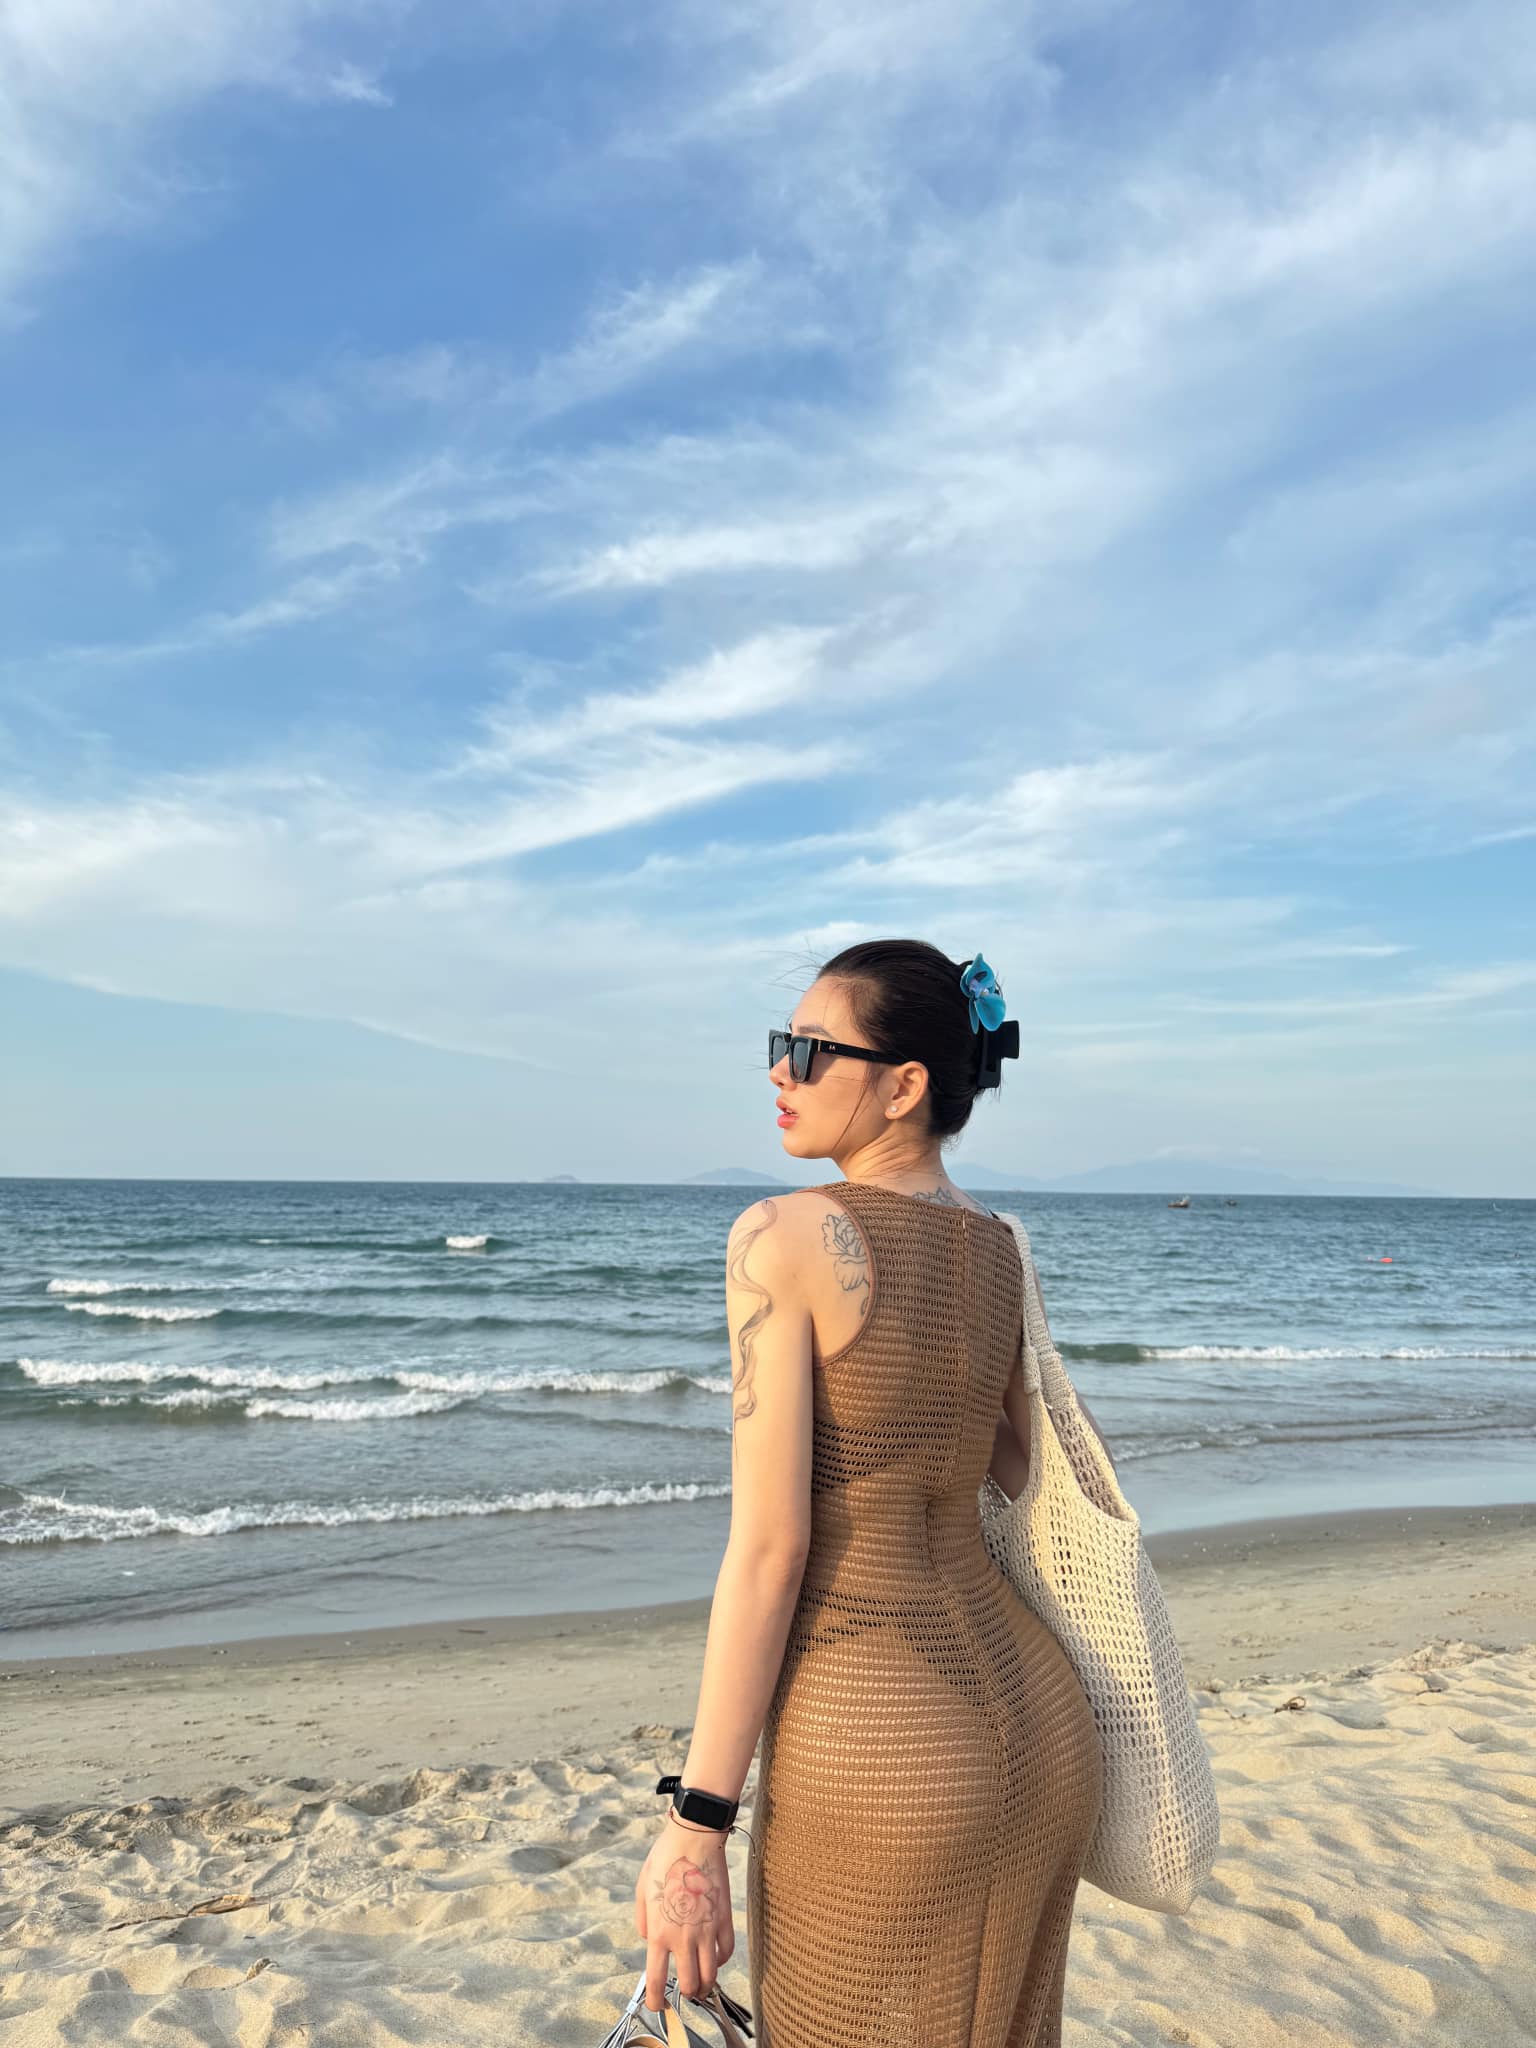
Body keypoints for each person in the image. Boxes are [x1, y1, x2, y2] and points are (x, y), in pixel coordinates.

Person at [634, 938, 1108, 2047]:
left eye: (809, 1049)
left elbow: (772, 1552)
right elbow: (1019, 1470)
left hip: (884, 1734)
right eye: (781, 1044)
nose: (779, 1070)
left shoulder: (784, 1233)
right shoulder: (1000, 1248)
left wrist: (697, 1824)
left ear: (904, 1087)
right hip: (1044, 1726)